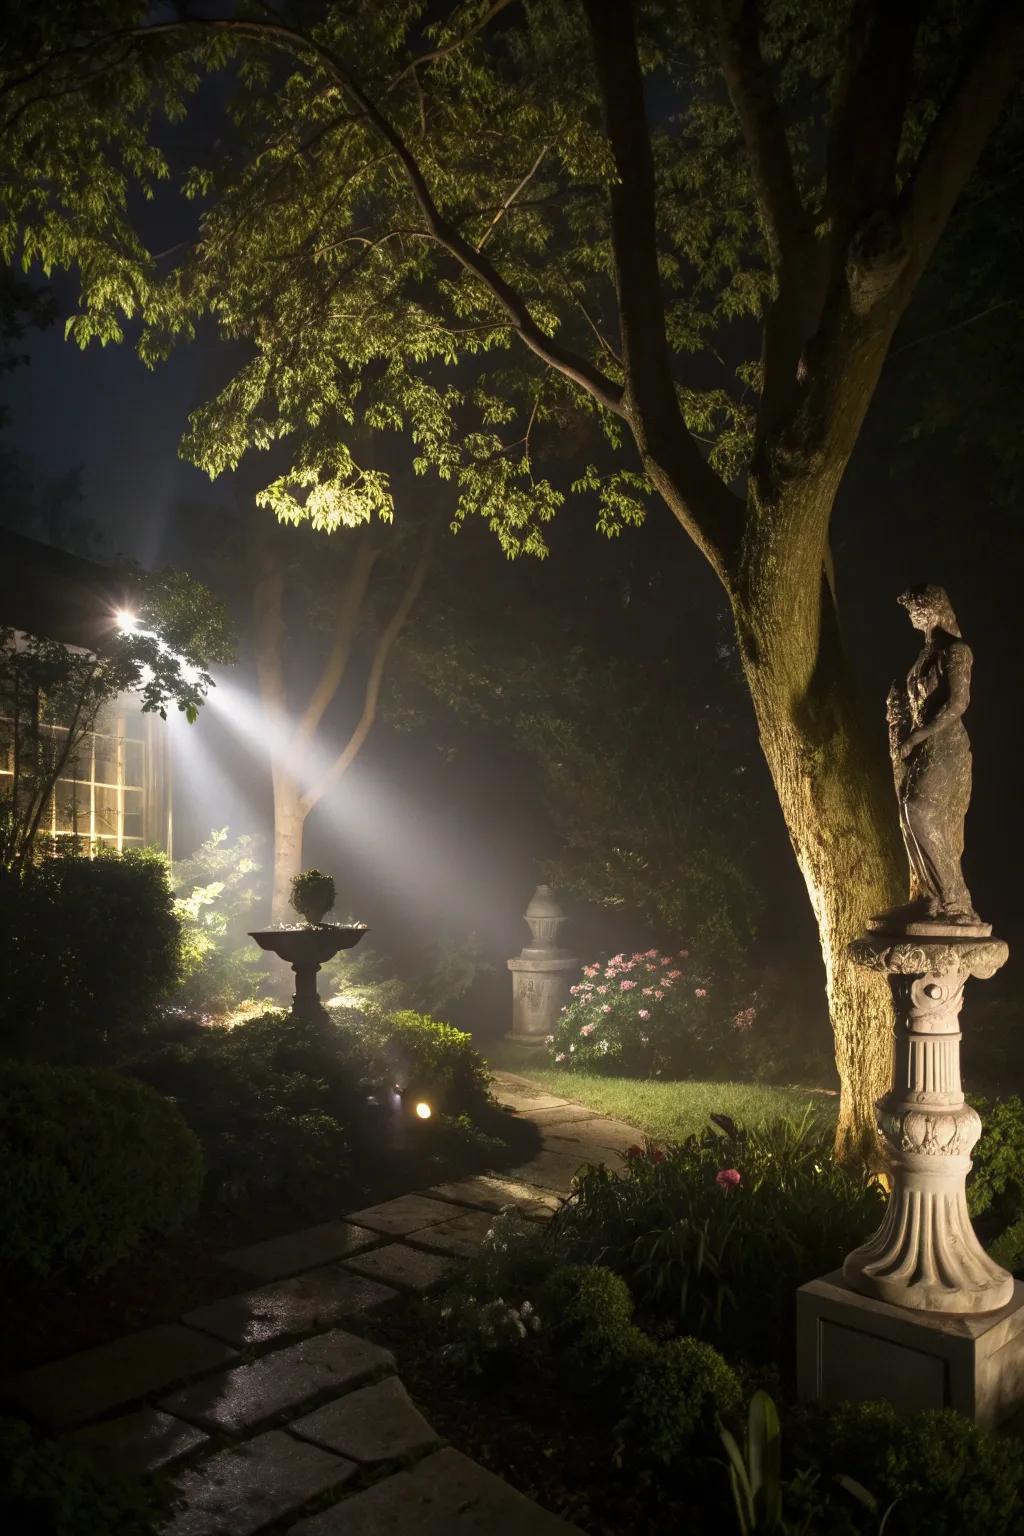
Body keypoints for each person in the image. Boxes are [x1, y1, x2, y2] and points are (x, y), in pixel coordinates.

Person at [887, 584, 978, 923]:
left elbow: (958, 702)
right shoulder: (926, 654)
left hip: (946, 745)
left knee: (921, 811)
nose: (913, 615)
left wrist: (918, 735)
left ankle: (956, 899)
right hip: (922, 746)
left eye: (917, 608)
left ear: (936, 609)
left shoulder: (957, 651)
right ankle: (930, 897)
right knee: (907, 818)